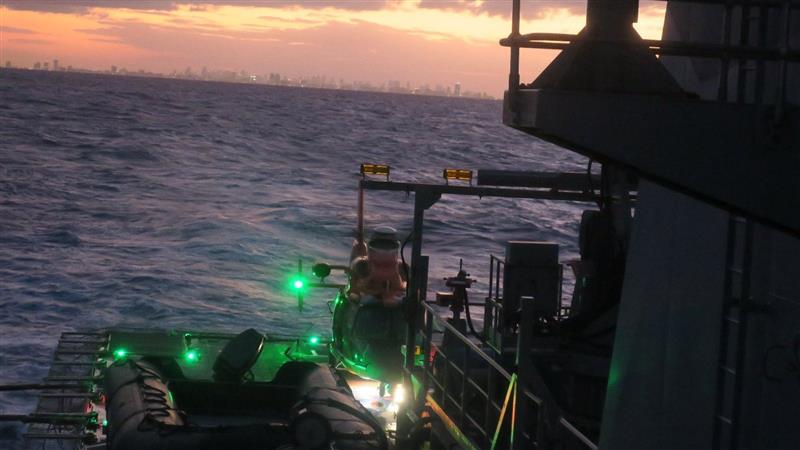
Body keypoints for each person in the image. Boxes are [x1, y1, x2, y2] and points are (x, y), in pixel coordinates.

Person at [348, 226, 406, 307]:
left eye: (388, 245)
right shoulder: (361, 266)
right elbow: (354, 290)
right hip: (365, 306)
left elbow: (403, 289)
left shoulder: (402, 268)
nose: (384, 250)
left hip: (393, 305)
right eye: (380, 245)